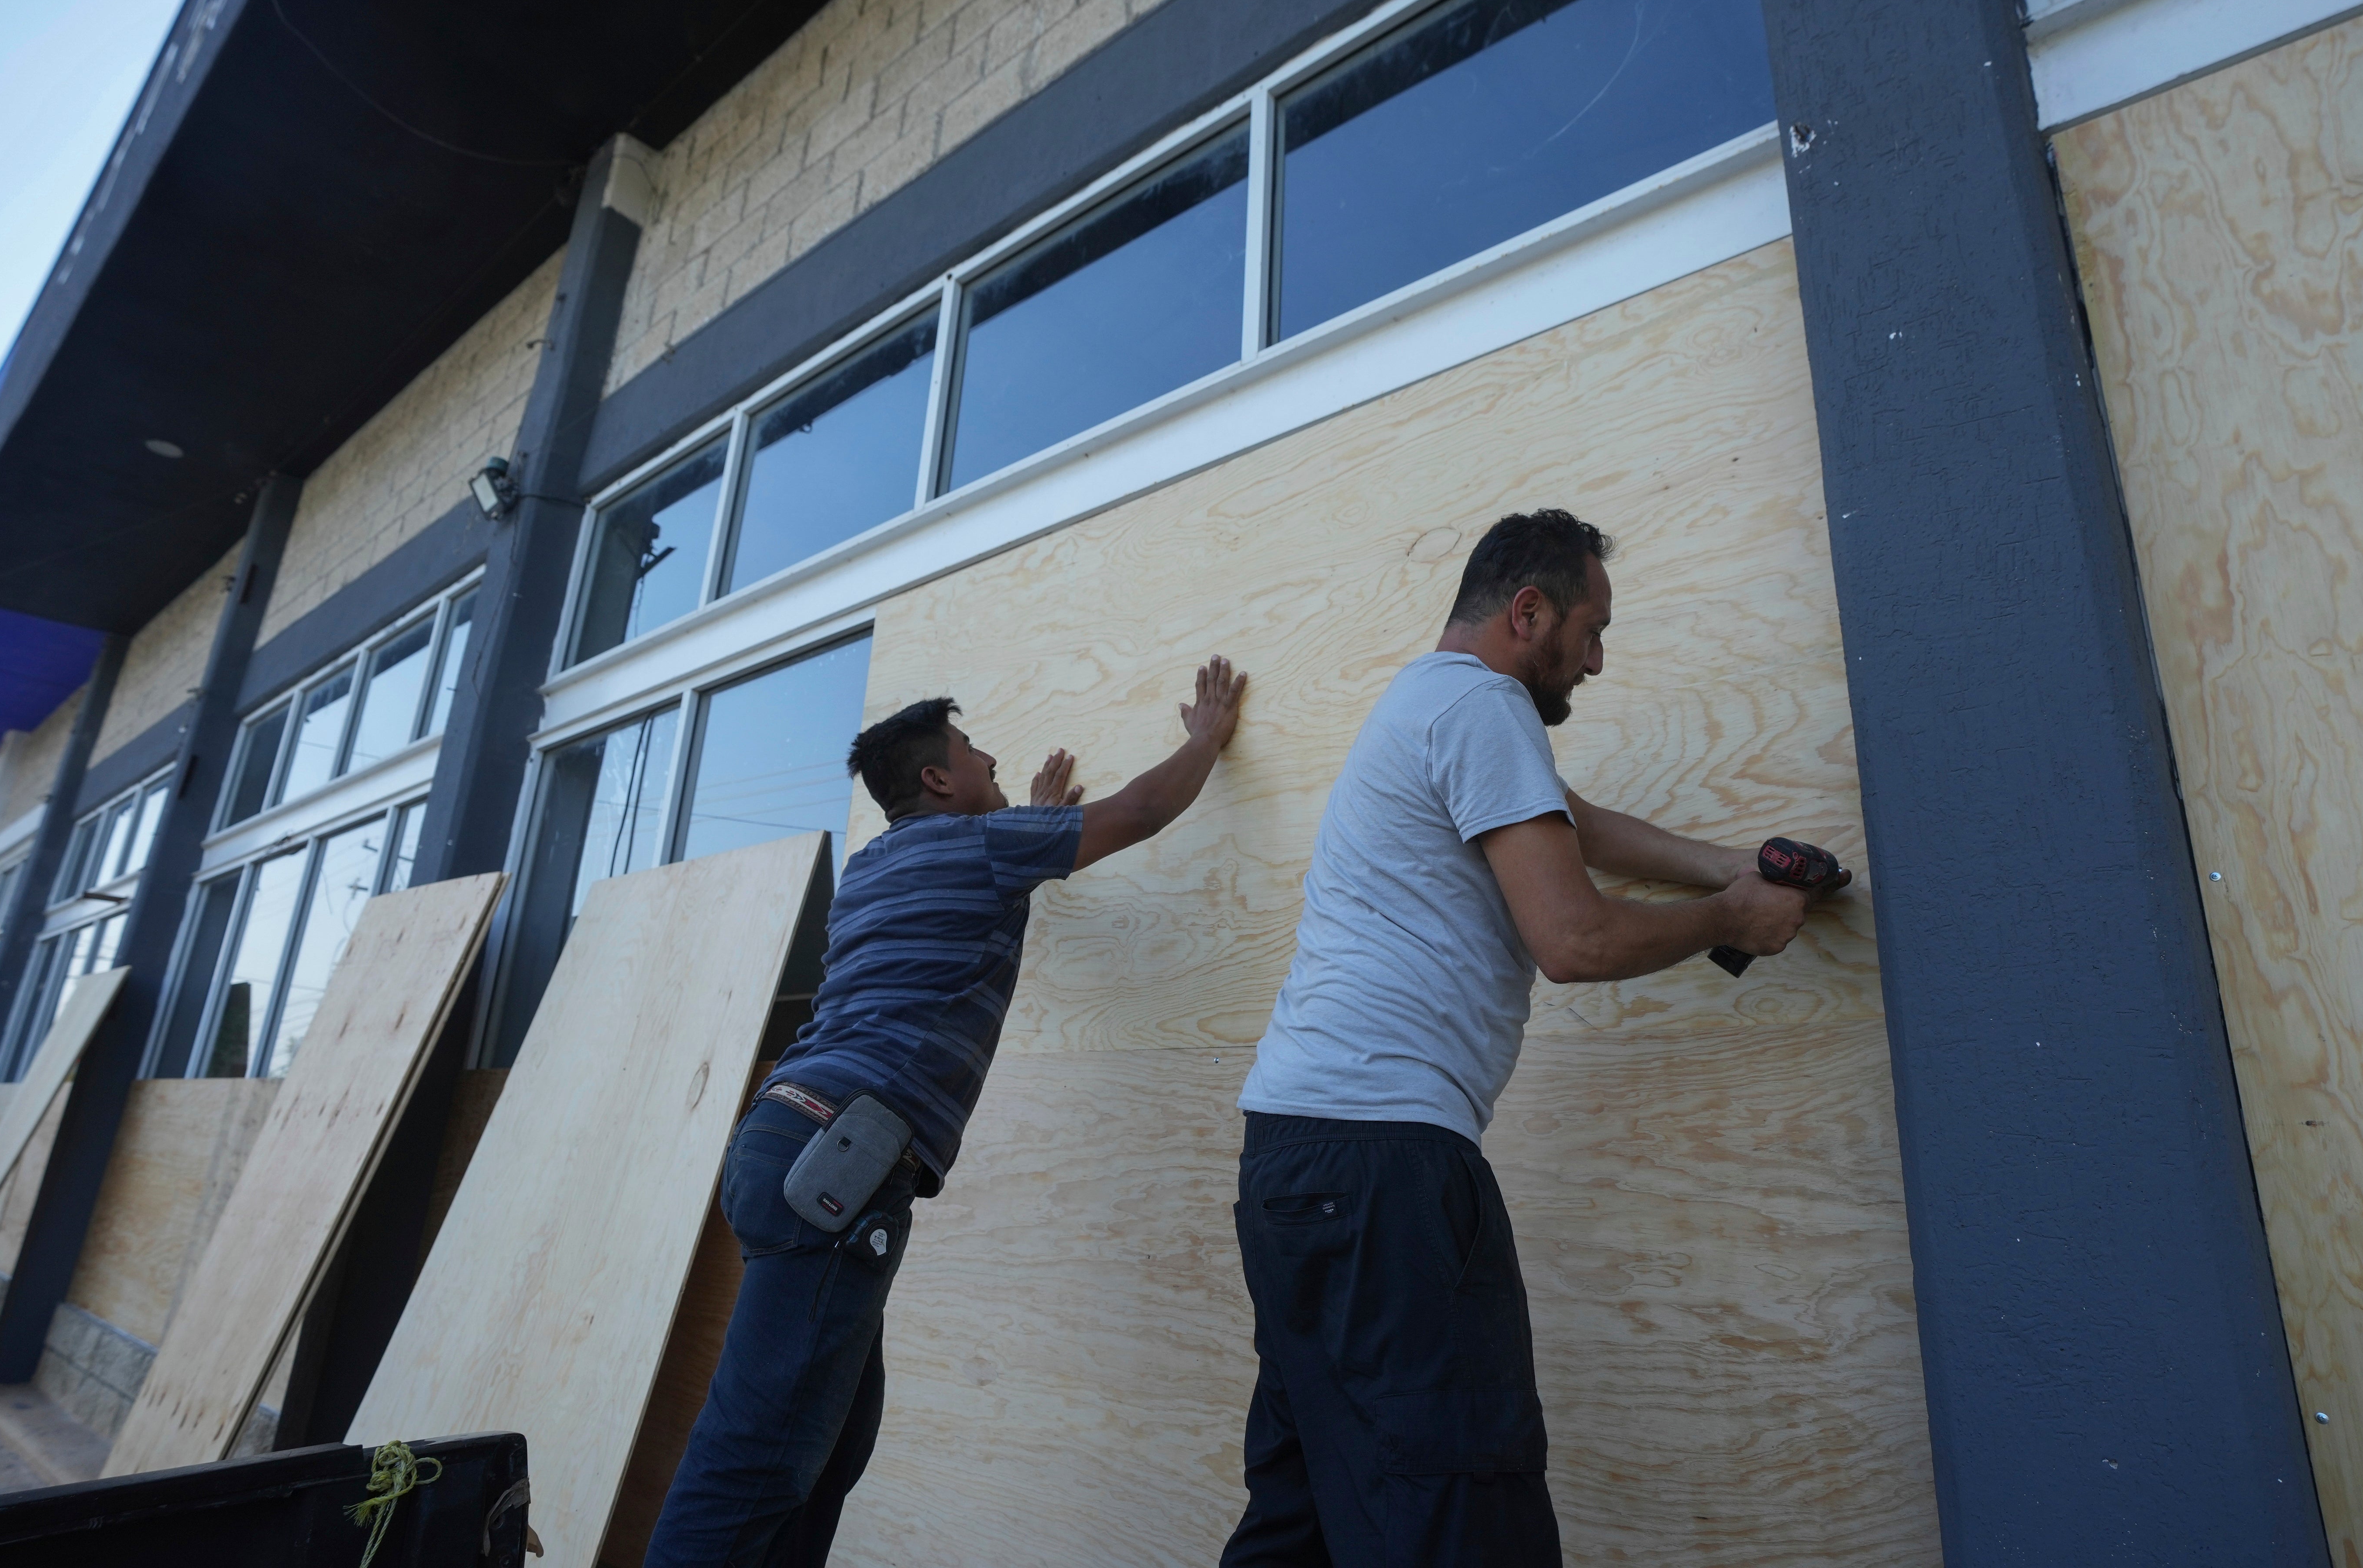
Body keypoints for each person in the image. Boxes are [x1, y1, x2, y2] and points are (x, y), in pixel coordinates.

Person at [1222, 509, 1849, 1567]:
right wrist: (1733, 923)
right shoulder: (1483, 704)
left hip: (1292, 1162)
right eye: (1592, 630)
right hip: (1388, 1169)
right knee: (1461, 1512)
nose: (1598, 659)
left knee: (1306, 1516)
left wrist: (1740, 864)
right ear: (1529, 613)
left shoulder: (1426, 702)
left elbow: (1576, 822)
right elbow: (1574, 939)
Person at [647, 657, 1249, 1567]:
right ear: (937, 779)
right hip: (837, 1163)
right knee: (760, 1458)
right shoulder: (982, 849)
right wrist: (1203, 739)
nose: (990, 754)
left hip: (788, 1140)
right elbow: (1136, 814)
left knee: (831, 1440)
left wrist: (1027, 818)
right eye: (973, 751)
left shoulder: (875, 867)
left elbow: (975, 882)